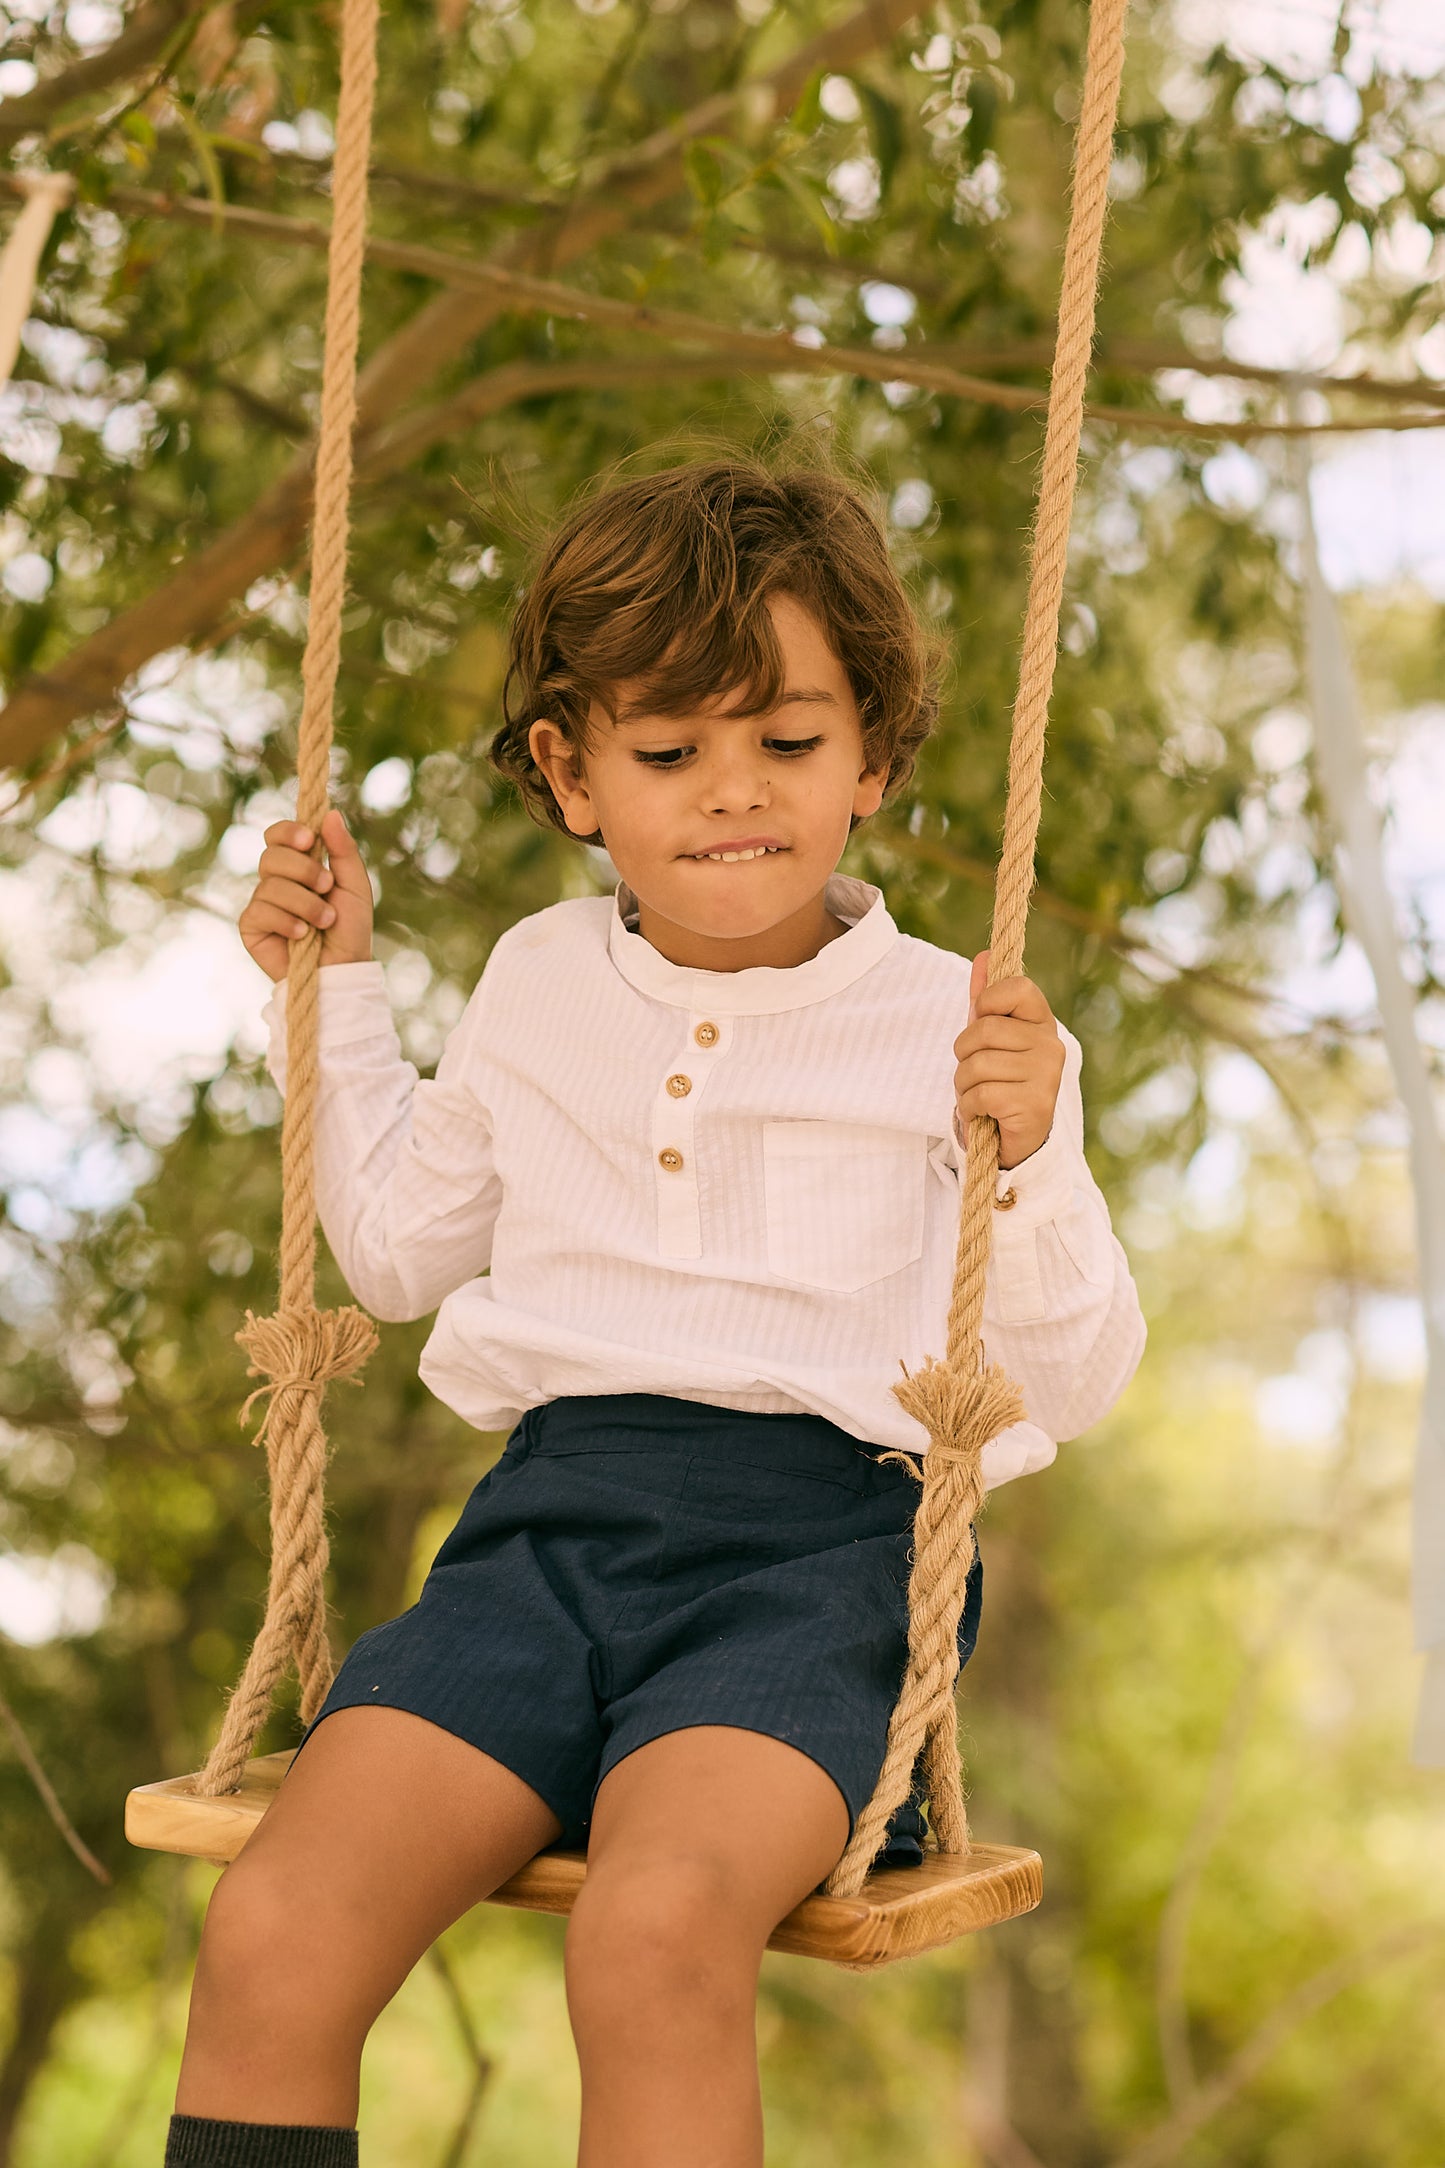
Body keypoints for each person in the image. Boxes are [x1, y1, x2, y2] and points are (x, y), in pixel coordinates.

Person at [166, 458, 1145, 2168]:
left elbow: (1072, 1368)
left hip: (818, 1565)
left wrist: (1039, 1145)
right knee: (274, 1927)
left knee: (652, 1932)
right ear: (570, 773)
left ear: (873, 759)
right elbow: (398, 1251)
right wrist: (335, 991)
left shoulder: (951, 1020)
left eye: (786, 743)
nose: (731, 798)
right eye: (668, 752)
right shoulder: (539, 984)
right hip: (542, 1538)